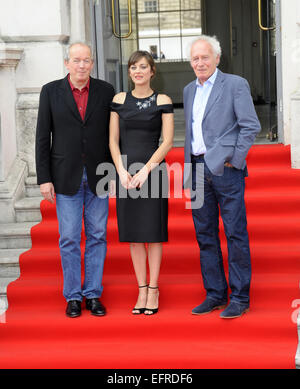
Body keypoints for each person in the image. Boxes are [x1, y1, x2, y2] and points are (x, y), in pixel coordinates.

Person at [183, 35, 261, 319]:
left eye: (205, 57)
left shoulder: (235, 84)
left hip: (226, 170)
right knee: (204, 235)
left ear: (217, 58)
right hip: (196, 171)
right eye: (195, 58)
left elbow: (250, 125)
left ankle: (240, 297)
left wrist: (235, 160)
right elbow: (191, 132)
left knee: (234, 233)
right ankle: (215, 294)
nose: (200, 62)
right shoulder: (189, 90)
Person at [35, 42, 115, 318]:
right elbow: (42, 137)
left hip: (100, 173)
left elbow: (114, 135)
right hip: (64, 175)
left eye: (87, 61)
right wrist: (44, 178)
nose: (82, 65)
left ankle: (92, 294)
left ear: (92, 64)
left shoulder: (106, 91)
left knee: (98, 235)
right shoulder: (50, 91)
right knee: (69, 237)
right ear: (67, 63)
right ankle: (72, 296)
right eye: (76, 60)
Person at [109, 50, 174, 315]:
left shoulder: (163, 100)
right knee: (135, 237)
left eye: (143, 67)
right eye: (134, 67)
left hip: (153, 173)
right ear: (129, 72)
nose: (138, 71)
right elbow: (113, 140)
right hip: (125, 175)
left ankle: (154, 289)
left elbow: (168, 141)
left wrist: (147, 170)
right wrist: (121, 171)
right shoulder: (119, 100)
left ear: (152, 71)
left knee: (154, 234)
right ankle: (141, 288)